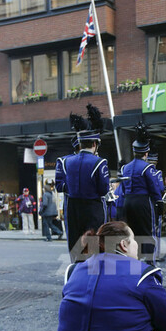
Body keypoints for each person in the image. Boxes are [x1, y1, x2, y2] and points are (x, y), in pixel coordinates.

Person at [57, 105, 110, 259]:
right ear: (94, 144)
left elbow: (61, 186)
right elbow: (103, 190)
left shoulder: (65, 161)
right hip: (93, 208)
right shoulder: (100, 162)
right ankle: (92, 271)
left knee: (75, 241)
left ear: (80, 144)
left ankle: (76, 270)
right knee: (93, 240)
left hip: (73, 207)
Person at [122, 121, 163, 265]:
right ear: (146, 153)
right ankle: (149, 265)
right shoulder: (148, 168)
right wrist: (159, 203)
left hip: (128, 201)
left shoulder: (125, 168)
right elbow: (154, 188)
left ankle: (135, 262)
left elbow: (122, 188)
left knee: (132, 233)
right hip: (143, 202)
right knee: (147, 232)